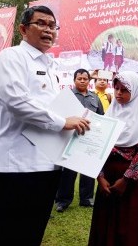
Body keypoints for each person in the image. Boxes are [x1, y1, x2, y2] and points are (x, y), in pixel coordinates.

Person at [0, 6, 90, 246]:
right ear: (23, 29)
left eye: (53, 26)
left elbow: (51, 106)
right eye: (41, 24)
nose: (48, 30)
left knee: (32, 234)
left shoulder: (51, 66)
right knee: (7, 236)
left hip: (48, 165)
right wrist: (63, 122)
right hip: (15, 166)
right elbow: (16, 102)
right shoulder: (11, 57)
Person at [88, 71, 138, 246]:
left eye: (124, 90)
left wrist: (126, 180)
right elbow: (97, 146)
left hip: (129, 180)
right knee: (104, 221)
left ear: (135, 92)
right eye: (116, 88)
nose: (118, 93)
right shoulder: (110, 114)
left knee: (127, 223)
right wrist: (100, 177)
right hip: (107, 176)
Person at [55, 69, 104, 212]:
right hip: (70, 136)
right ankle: (63, 201)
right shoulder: (67, 96)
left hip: (89, 137)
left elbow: (101, 116)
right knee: (68, 170)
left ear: (89, 81)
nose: (82, 81)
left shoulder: (95, 98)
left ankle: (87, 199)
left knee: (88, 168)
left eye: (85, 78)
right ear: (74, 80)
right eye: (79, 78)